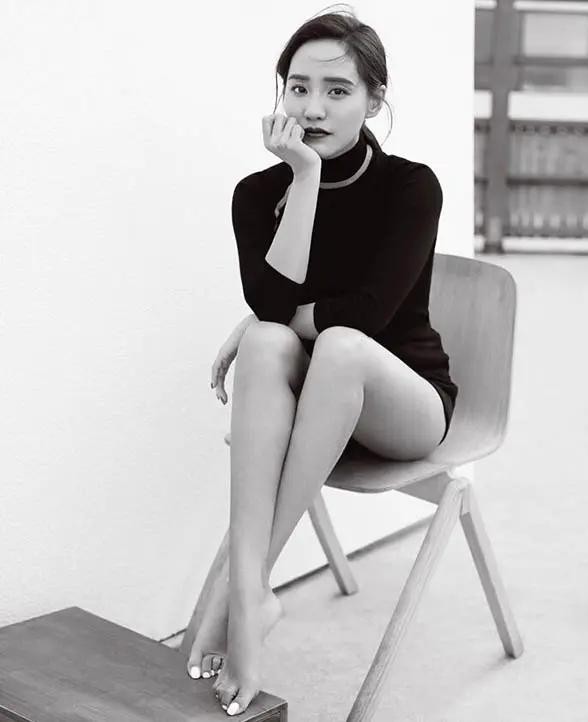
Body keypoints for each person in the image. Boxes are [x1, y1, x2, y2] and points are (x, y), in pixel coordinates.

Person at [187, 7, 458, 716]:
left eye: (338, 91)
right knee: (267, 342)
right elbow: (276, 308)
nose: (312, 109)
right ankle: (254, 597)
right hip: (317, 399)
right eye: (298, 87)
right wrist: (302, 178)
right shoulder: (258, 194)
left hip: (406, 403)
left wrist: (278, 316)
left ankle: (238, 595)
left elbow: (366, 315)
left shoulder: (411, 186)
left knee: (334, 343)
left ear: (374, 100)